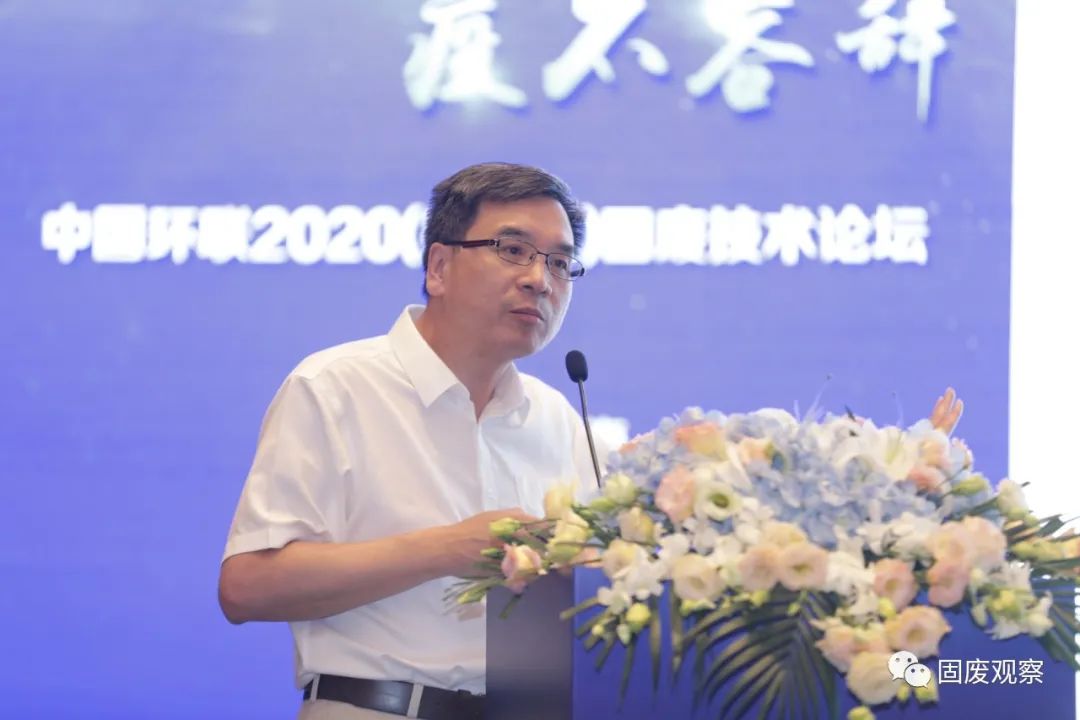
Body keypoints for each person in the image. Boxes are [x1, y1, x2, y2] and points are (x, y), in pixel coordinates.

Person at [218, 162, 598, 720]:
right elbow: (246, 588)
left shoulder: (557, 419)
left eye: (560, 263)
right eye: (513, 250)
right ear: (439, 266)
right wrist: (447, 548)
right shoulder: (335, 386)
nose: (539, 280)